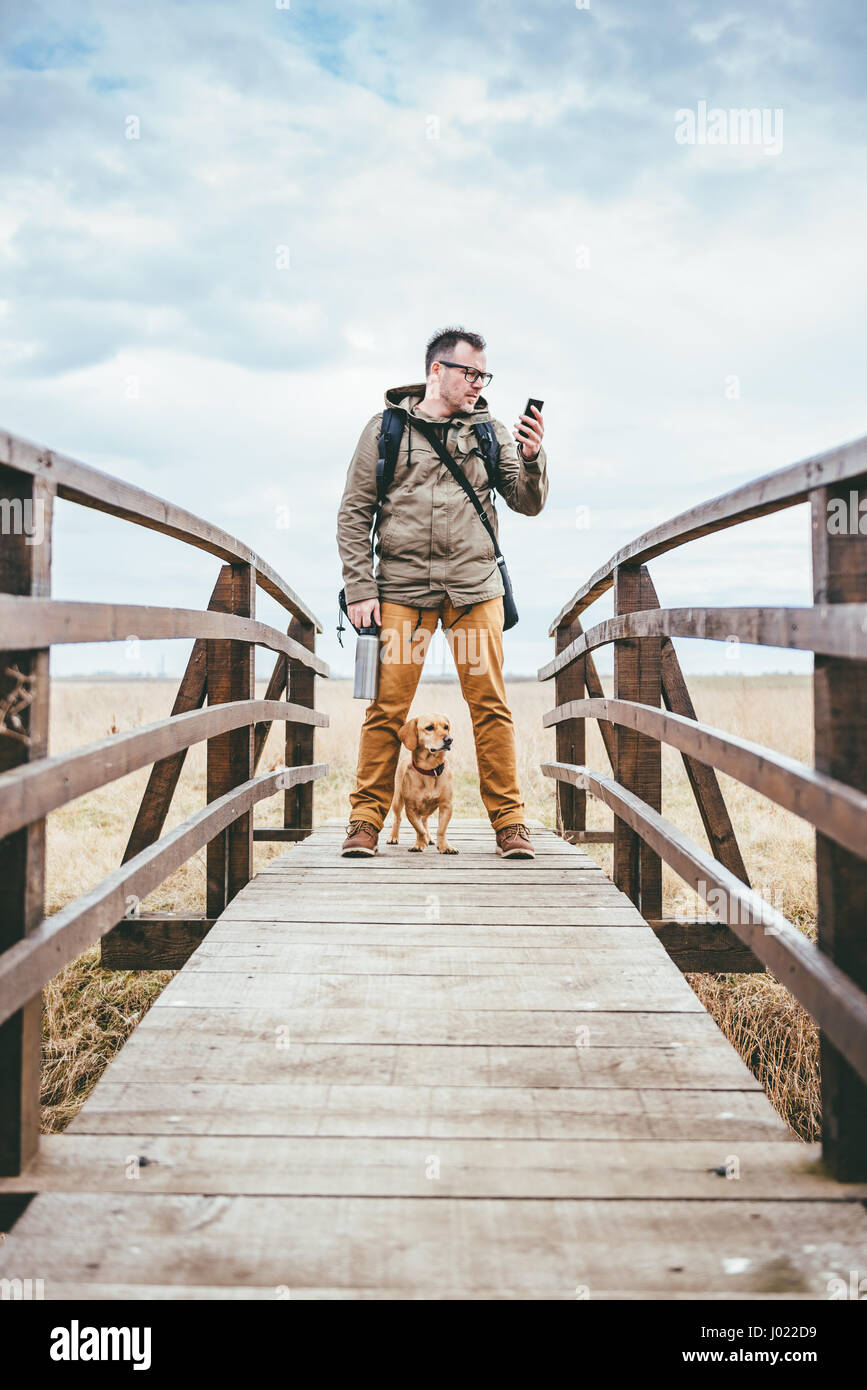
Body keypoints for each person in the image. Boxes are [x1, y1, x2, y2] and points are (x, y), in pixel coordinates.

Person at [336, 326, 548, 858]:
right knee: (388, 709)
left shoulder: (490, 431)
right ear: (437, 370)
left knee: (490, 707)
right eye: (468, 372)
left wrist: (531, 457)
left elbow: (526, 502)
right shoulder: (385, 429)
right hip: (402, 591)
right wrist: (360, 586)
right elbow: (354, 513)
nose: (478, 383)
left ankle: (509, 823)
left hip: (474, 590)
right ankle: (365, 819)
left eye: (484, 374)